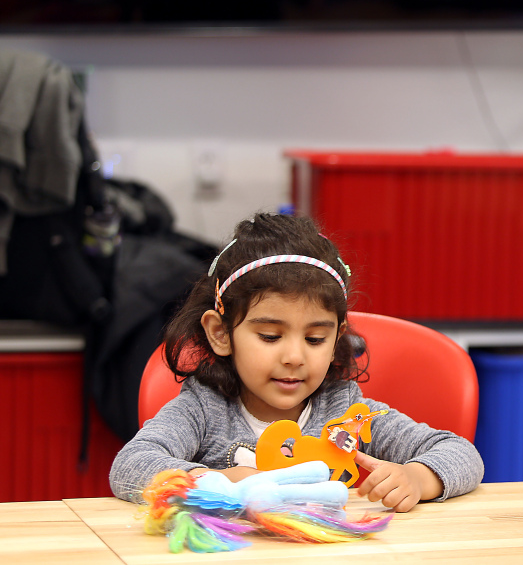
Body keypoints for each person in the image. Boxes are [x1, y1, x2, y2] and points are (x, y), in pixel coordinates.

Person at [110, 213, 484, 511]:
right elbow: (130, 467)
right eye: (270, 336)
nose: (294, 357)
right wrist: (219, 482)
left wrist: (417, 478)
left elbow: (461, 453)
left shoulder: (345, 412)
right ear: (221, 334)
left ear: (338, 337)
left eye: (315, 339)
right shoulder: (204, 410)